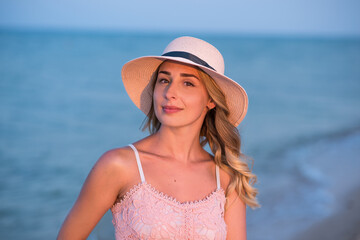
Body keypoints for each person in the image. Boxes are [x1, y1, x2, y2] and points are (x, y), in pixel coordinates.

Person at [57, 36, 259, 240]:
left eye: (188, 83)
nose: (170, 92)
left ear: (211, 100)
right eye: (164, 80)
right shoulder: (118, 165)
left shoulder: (226, 179)